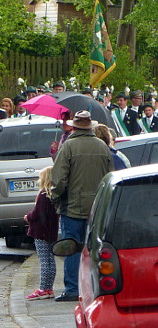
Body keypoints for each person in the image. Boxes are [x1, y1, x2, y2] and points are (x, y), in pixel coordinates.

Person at [50, 111, 114, 302]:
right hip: (97, 208)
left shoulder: (68, 146)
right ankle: (95, 287)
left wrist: (55, 196)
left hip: (72, 207)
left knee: (71, 247)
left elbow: (59, 179)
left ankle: (72, 289)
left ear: (75, 127)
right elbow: (110, 177)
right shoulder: (103, 147)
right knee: (95, 249)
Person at [24, 166, 59, 300]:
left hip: (40, 232)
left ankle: (43, 288)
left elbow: (38, 213)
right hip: (51, 231)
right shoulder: (53, 195)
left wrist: (28, 217)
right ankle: (48, 287)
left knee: (44, 261)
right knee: (51, 260)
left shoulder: (43, 195)